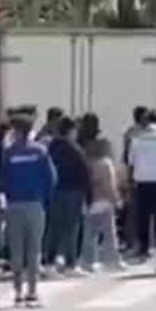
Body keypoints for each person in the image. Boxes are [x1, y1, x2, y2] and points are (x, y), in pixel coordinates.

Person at [0, 109, 56, 307]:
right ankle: (32, 291)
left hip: (13, 204)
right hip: (35, 205)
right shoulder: (40, 152)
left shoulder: (8, 154)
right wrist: (44, 197)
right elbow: (51, 179)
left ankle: (18, 291)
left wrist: (10, 191)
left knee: (16, 250)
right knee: (34, 249)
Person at [125, 109, 156, 263]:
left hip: (142, 180)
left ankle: (144, 248)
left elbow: (131, 162)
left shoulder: (137, 138)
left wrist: (130, 180)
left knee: (143, 216)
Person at [43, 117, 89, 275]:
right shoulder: (75, 149)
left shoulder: (51, 147)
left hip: (55, 191)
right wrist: (87, 193)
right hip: (73, 191)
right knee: (72, 227)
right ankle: (71, 263)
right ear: (71, 131)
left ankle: (49, 261)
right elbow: (84, 171)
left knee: (54, 227)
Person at [79, 136, 125, 274]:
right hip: (104, 201)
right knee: (109, 233)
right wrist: (116, 199)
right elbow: (109, 185)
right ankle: (113, 260)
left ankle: (88, 261)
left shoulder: (88, 163)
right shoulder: (106, 164)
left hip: (90, 201)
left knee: (90, 234)